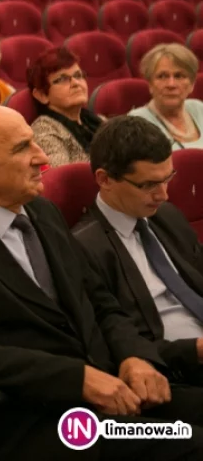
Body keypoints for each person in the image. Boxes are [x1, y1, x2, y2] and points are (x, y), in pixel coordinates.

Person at [0, 104, 203, 461]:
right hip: (33, 416)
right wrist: (77, 378)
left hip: (111, 391)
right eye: (22, 148)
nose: (42, 156)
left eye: (34, 142)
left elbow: (101, 302)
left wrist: (134, 356)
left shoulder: (43, 211)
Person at [73, 116, 203, 386]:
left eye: (167, 179)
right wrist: (195, 350)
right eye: (148, 185)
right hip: (176, 371)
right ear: (104, 179)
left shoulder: (166, 216)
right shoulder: (84, 247)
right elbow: (119, 343)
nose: (163, 194)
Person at [28, 47, 102, 166]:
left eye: (78, 75)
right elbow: (64, 179)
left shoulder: (96, 120)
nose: (76, 83)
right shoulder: (44, 131)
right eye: (62, 79)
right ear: (42, 95)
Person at [130, 44, 203, 150]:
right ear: (150, 84)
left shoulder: (199, 108)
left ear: (192, 84)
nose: (171, 84)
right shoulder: (138, 123)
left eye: (179, 76)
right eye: (162, 76)